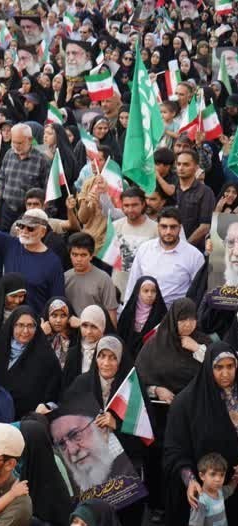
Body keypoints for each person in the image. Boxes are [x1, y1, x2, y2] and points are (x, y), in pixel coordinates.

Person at [164, 342, 238, 526]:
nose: (225, 373)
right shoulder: (186, 403)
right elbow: (175, 450)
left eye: (230, 366)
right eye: (218, 367)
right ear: (208, 368)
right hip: (205, 494)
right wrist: (190, 479)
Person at [0, 306, 62, 418]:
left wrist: (47, 407)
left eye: (30, 326)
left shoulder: (47, 358)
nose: (25, 331)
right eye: (20, 325)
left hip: (28, 421)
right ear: (12, 326)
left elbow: (55, 394)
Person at [125, 207, 204, 307]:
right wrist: (127, 310)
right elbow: (133, 284)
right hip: (146, 311)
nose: (168, 232)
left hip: (176, 312)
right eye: (164, 226)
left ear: (180, 228)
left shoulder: (194, 255)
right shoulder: (145, 249)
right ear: (158, 227)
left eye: (173, 227)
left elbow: (199, 291)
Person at [0, 123, 51, 230]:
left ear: (30, 140)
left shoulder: (41, 159)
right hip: (7, 209)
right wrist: (1, 195)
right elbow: (2, 176)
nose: (16, 146)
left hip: (28, 212)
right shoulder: (9, 154)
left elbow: (47, 188)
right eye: (13, 142)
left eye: (19, 143)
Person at [64, 232, 119, 326]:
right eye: (75, 254)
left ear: (91, 255)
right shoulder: (65, 277)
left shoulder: (104, 279)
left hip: (95, 330)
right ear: (69, 254)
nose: (78, 259)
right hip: (70, 331)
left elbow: (111, 314)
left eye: (83, 255)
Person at [112, 187, 158, 297]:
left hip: (146, 292)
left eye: (134, 205)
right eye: (126, 205)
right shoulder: (115, 226)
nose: (130, 209)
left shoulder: (156, 229)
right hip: (118, 289)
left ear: (143, 204)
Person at [116, 277, 167, 359]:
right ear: (138, 292)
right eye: (146, 291)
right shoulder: (129, 312)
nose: (150, 295)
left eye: (153, 291)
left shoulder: (161, 314)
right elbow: (120, 334)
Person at [174, 149, 215, 251]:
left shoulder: (205, 192)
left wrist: (185, 247)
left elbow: (205, 226)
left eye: (186, 164)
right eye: (178, 164)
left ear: (196, 167)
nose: (181, 168)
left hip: (194, 250)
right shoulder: (171, 188)